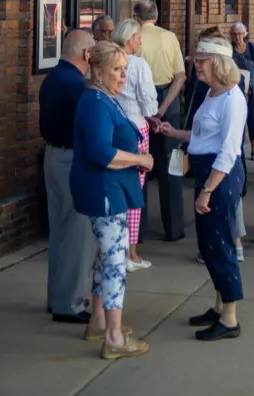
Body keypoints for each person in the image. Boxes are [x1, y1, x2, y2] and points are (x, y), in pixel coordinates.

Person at [160, 36, 247, 341]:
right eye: (196, 60)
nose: (196, 65)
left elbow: (228, 150)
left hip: (219, 178)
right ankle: (220, 304)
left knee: (220, 244)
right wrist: (176, 132)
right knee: (209, 244)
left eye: (202, 60)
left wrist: (208, 190)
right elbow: (202, 136)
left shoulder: (232, 99)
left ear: (219, 63)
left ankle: (230, 319)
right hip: (208, 174)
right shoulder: (212, 93)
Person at [71, 41, 153, 359]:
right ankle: (114, 337)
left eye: (124, 70)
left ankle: (98, 321)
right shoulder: (95, 102)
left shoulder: (106, 98)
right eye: (116, 70)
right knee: (116, 262)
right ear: (98, 70)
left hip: (109, 188)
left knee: (106, 257)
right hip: (103, 190)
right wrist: (140, 159)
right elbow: (102, 152)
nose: (123, 77)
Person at [39, 29, 97, 323]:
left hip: (52, 155)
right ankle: (71, 304)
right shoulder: (77, 86)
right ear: (86, 54)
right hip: (72, 160)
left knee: (60, 232)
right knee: (78, 234)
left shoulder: (51, 79)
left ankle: (57, 298)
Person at [133, 0, 186, 242]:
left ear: (136, 16)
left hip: (139, 105)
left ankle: (138, 231)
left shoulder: (133, 38)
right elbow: (181, 76)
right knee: (171, 168)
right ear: (156, 15)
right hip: (169, 102)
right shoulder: (170, 37)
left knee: (139, 166)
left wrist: (149, 113)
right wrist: (162, 110)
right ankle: (174, 228)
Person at [112, 18, 159, 270]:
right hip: (136, 126)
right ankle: (131, 253)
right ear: (130, 39)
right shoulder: (138, 64)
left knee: (114, 188)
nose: (141, 41)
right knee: (134, 190)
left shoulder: (107, 60)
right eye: (139, 37)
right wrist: (155, 115)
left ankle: (116, 249)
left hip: (111, 126)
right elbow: (149, 102)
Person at [231, 23, 254, 160]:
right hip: (236, 90)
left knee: (253, 120)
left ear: (245, 34)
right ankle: (239, 149)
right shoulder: (230, 50)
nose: (237, 37)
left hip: (251, 91)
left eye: (240, 34)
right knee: (238, 122)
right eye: (234, 34)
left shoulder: (251, 48)